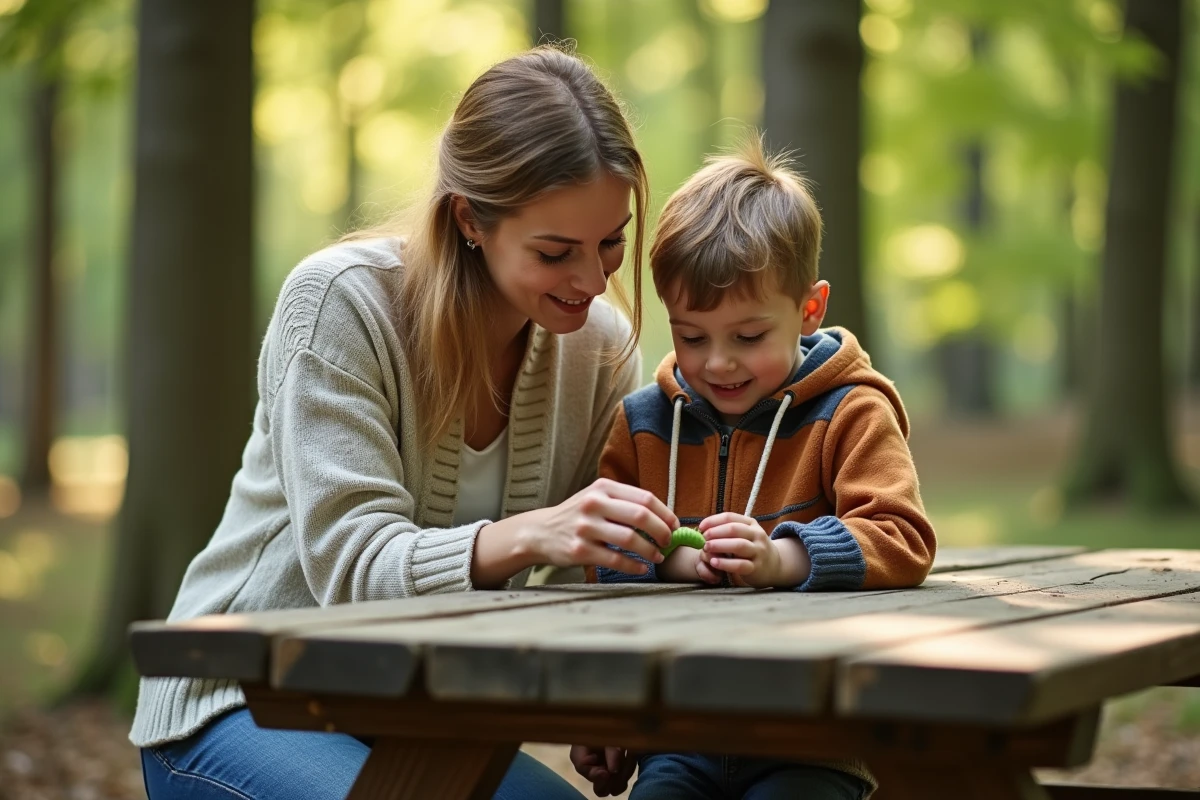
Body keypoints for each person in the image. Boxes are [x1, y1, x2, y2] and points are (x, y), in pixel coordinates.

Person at [132, 46, 683, 800]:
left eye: (611, 242)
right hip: (237, 703)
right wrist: (528, 534)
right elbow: (351, 567)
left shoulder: (599, 348)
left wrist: (603, 703)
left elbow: (590, 567)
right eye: (556, 252)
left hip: (427, 722)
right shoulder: (340, 305)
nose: (592, 280)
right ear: (470, 219)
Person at [571, 138, 937, 799]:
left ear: (809, 309)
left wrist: (781, 560)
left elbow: (901, 536)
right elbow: (600, 559)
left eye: (748, 337)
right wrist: (676, 564)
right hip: (678, 732)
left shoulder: (852, 412)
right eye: (691, 336)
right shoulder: (645, 423)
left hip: (815, 737)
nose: (717, 363)